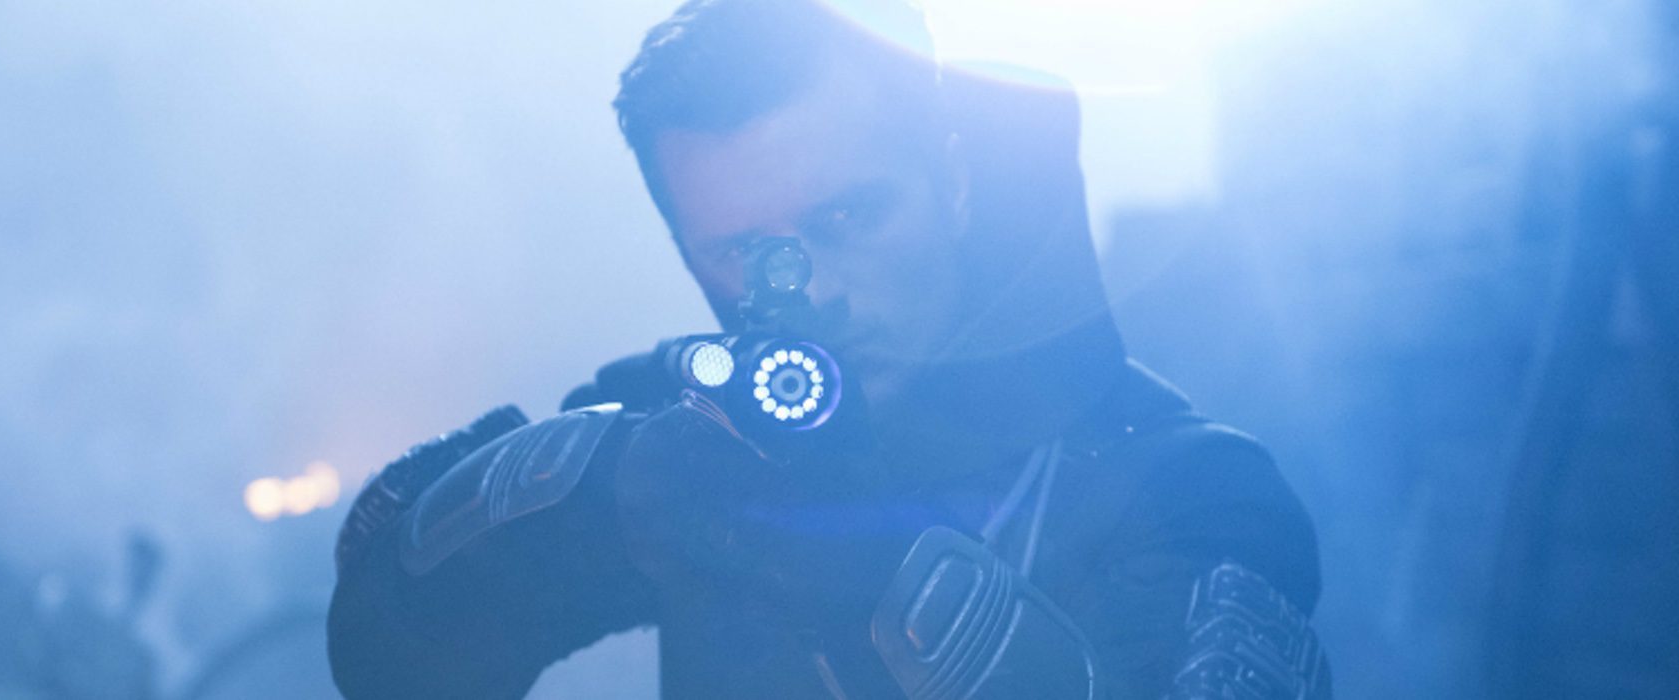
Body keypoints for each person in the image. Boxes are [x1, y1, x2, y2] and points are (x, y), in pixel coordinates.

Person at [325, 1, 1329, 698]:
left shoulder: (1186, 485)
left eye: (849, 216)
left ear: (951, 180)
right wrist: (619, 493)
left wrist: (858, 565)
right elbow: (389, 656)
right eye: (740, 253)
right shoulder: (697, 433)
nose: (811, 294)